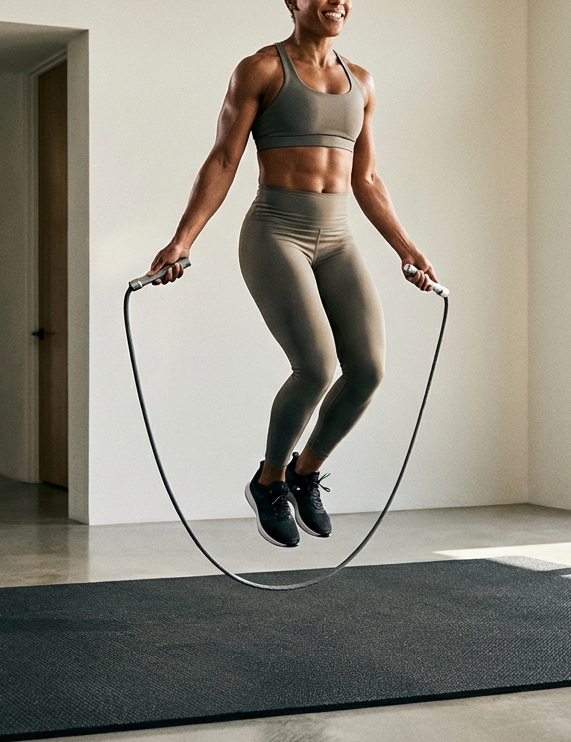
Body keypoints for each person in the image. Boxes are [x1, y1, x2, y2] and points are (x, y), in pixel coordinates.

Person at [145, 0, 439, 548]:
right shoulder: (260, 69)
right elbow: (223, 160)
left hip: (338, 237)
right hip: (275, 232)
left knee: (369, 370)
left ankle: (305, 473)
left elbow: (367, 178)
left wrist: (408, 250)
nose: (336, 2)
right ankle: (270, 479)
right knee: (317, 366)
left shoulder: (363, 83)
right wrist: (182, 240)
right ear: (293, 2)